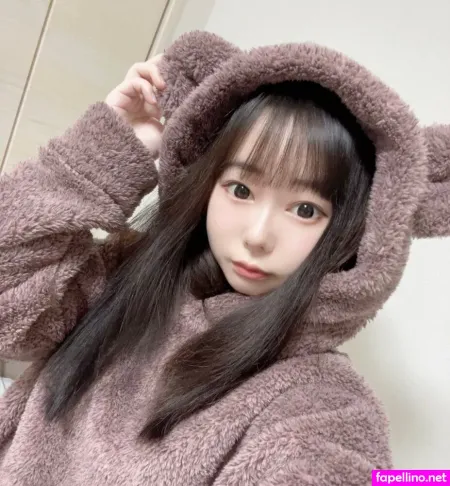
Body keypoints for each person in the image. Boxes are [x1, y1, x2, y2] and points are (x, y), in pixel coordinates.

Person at [0, 30, 448, 485]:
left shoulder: (322, 406)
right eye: (241, 189)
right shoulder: (121, 277)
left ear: (354, 232)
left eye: (305, 210)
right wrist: (101, 153)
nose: (257, 236)